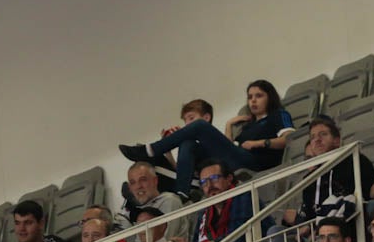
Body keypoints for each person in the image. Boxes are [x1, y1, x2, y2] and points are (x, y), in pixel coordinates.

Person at [121, 80, 294, 198]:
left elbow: (289, 139)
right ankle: (182, 193)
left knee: (199, 126)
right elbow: (229, 148)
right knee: (188, 143)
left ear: (269, 97)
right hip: (237, 160)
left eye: (259, 96)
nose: (253, 101)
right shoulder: (247, 125)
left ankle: (151, 149)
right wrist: (229, 125)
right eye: (250, 97)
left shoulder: (279, 115)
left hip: (257, 162)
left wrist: (259, 143)